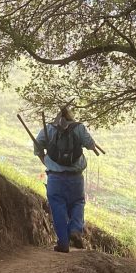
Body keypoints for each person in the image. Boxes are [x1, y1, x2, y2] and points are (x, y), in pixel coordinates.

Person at [34, 104, 99, 252]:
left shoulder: (49, 129)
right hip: (76, 178)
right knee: (78, 203)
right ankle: (75, 229)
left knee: (58, 208)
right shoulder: (79, 128)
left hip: (55, 178)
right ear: (70, 116)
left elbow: (37, 147)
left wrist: (44, 159)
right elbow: (90, 145)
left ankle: (63, 243)